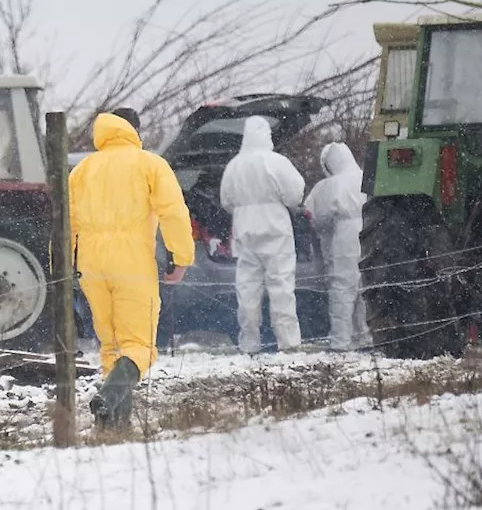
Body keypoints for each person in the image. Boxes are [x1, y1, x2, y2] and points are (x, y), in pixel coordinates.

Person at [69, 108, 194, 429]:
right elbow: (173, 212)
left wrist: (63, 266)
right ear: (134, 130)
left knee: (111, 346)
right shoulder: (149, 164)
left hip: (90, 265)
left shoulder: (81, 170)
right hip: (131, 262)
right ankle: (108, 396)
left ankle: (113, 426)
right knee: (140, 346)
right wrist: (181, 257)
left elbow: (65, 224)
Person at [219, 116, 306, 354]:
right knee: (281, 287)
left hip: (245, 232)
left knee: (247, 290)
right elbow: (295, 194)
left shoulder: (234, 166)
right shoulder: (276, 162)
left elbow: (226, 201)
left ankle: (249, 343)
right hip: (276, 231)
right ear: (267, 134)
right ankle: (288, 344)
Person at [304, 141, 373, 351]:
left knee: (342, 288)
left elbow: (319, 219)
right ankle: (364, 335)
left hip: (344, 235)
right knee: (365, 287)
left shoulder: (329, 186)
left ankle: (340, 341)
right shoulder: (367, 177)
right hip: (370, 230)